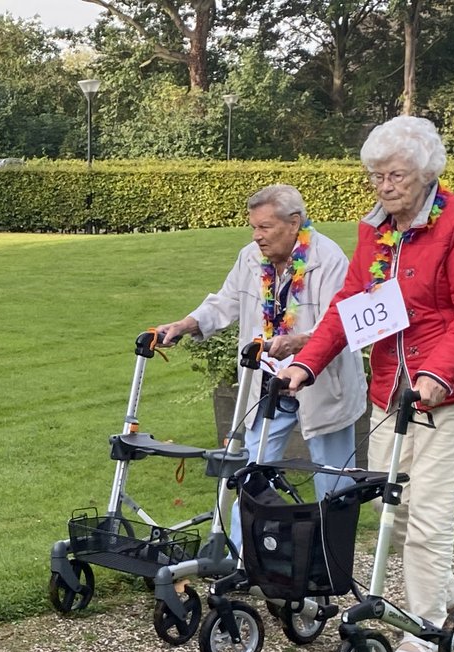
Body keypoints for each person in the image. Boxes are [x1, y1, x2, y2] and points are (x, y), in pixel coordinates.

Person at [281, 116, 454, 652]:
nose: (384, 186)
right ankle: (449, 602)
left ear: (427, 172)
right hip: (394, 388)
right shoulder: (375, 229)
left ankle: (427, 629)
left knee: (429, 508)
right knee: (395, 504)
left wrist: (437, 373)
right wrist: (306, 364)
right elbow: (349, 305)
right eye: (376, 176)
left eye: (395, 175)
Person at [152, 184, 367, 544]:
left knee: (333, 479)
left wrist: (298, 342)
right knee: (250, 469)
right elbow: (224, 303)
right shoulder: (251, 258)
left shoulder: (328, 259)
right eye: (254, 227)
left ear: (295, 222)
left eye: (264, 227)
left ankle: (333, 559)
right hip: (269, 384)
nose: (256, 236)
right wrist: (185, 325)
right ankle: (240, 554)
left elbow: (341, 322)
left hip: (321, 382)